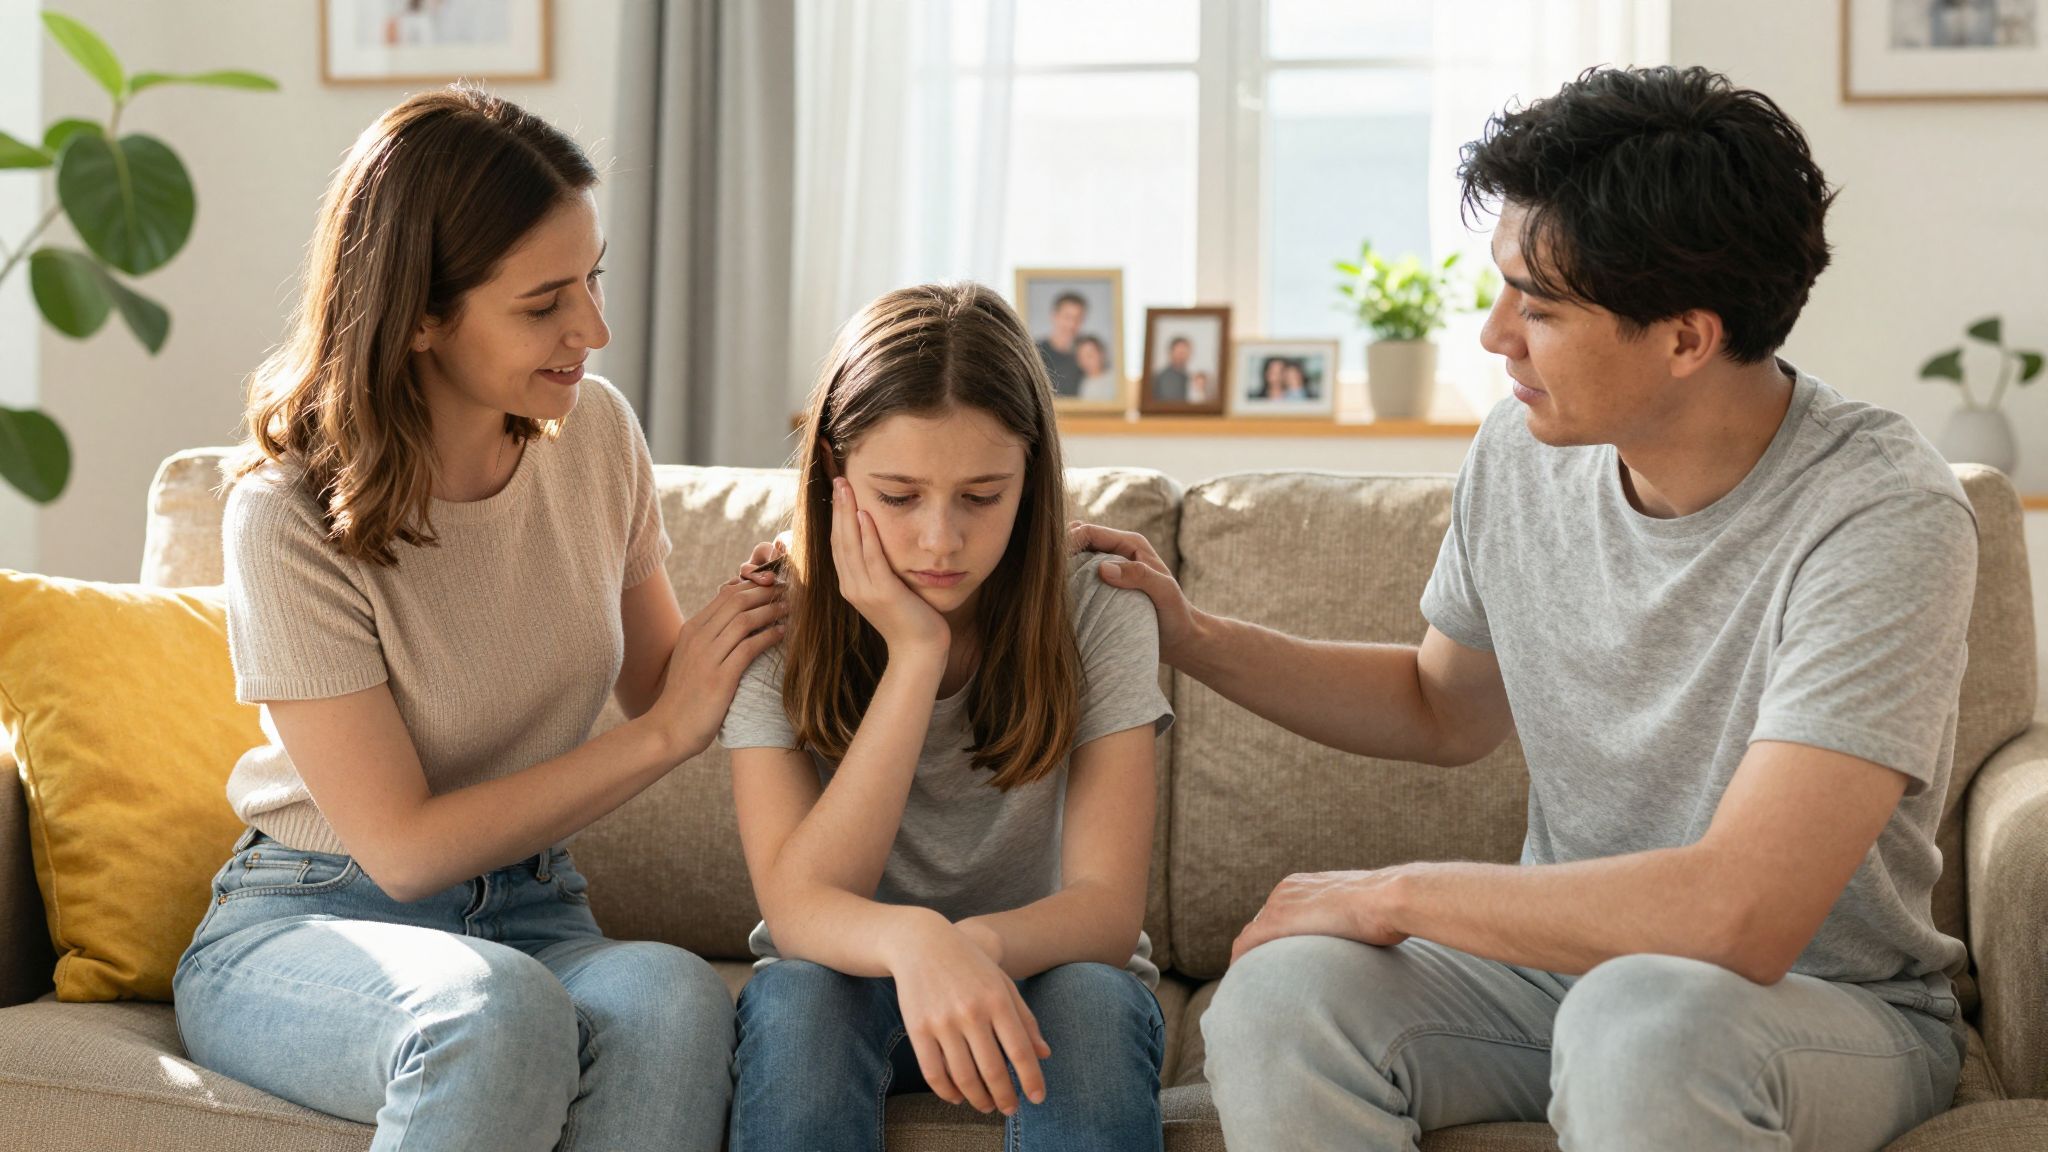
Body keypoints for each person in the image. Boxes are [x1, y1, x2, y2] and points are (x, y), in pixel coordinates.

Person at [1074, 65, 1976, 1151]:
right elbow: (1439, 706)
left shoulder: (1881, 512)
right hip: (1564, 982)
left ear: (1685, 339)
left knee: (1640, 1025)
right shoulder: (1524, 447)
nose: (1495, 334)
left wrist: (1397, 893)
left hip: (1821, 1006)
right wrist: (1192, 637)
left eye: (1538, 307)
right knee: (1279, 998)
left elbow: (1740, 914)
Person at [171, 87, 784, 1152]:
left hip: (536, 909)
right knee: (490, 1013)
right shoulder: (285, 515)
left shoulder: (596, 433)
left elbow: (664, 678)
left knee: (675, 997)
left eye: (592, 279)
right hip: (316, 918)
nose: (593, 330)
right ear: (419, 315)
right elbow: (404, 851)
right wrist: (659, 738)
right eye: (543, 304)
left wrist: (813, 581)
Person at [721, 282, 1173, 1152]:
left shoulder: (1098, 605)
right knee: (800, 1001)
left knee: (1090, 998)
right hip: (845, 973)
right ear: (834, 477)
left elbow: (1106, 910)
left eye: (982, 496)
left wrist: (960, 950)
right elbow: (800, 908)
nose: (940, 540)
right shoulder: (773, 615)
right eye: (899, 498)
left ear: (1031, 481)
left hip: (1045, 971)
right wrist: (915, 653)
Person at [1035, 291, 1088, 397]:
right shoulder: (1035, 352)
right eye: (1067, 317)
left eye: (1078, 318)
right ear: (1054, 316)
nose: (1072, 324)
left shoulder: (1088, 355)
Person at [1075, 333, 1118, 403]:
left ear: (1101, 354)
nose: (1085, 361)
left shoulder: (1115, 379)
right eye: (1081, 357)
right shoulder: (1082, 384)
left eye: (1089, 355)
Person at [1151, 336, 1192, 403]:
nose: (1182, 357)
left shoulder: (1190, 377)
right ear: (1171, 353)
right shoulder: (1161, 378)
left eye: (1185, 353)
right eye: (1180, 353)